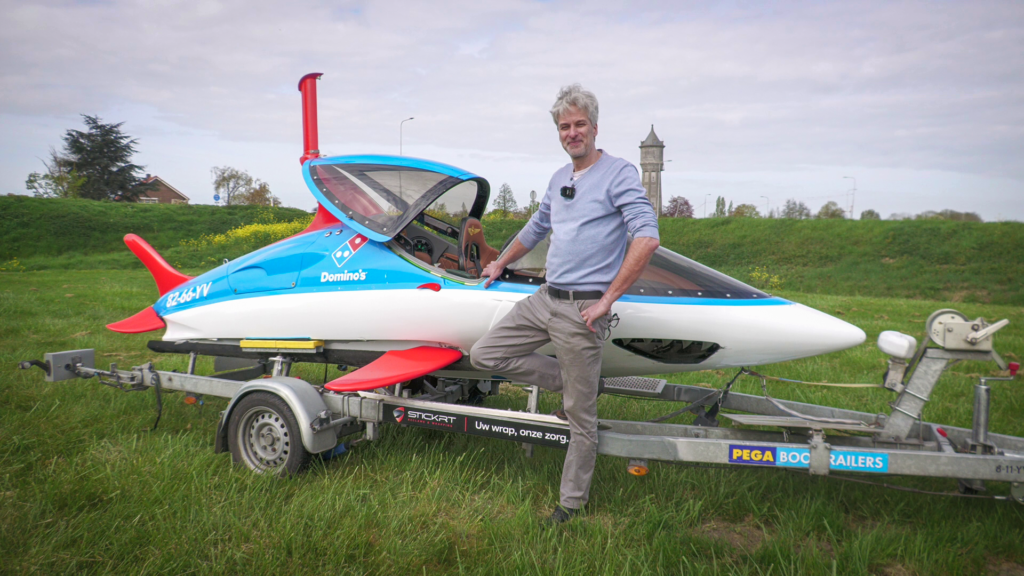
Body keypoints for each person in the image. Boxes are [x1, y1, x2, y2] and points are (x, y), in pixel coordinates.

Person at [469, 84, 660, 524]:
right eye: (564, 126)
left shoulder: (618, 173)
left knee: (580, 419)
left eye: (579, 125)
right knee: (485, 353)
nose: (572, 133)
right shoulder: (559, 178)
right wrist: (498, 263)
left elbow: (646, 237)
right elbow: (537, 228)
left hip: (583, 309)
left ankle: (571, 504)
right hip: (545, 299)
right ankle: (575, 385)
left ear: (594, 127)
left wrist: (607, 300)